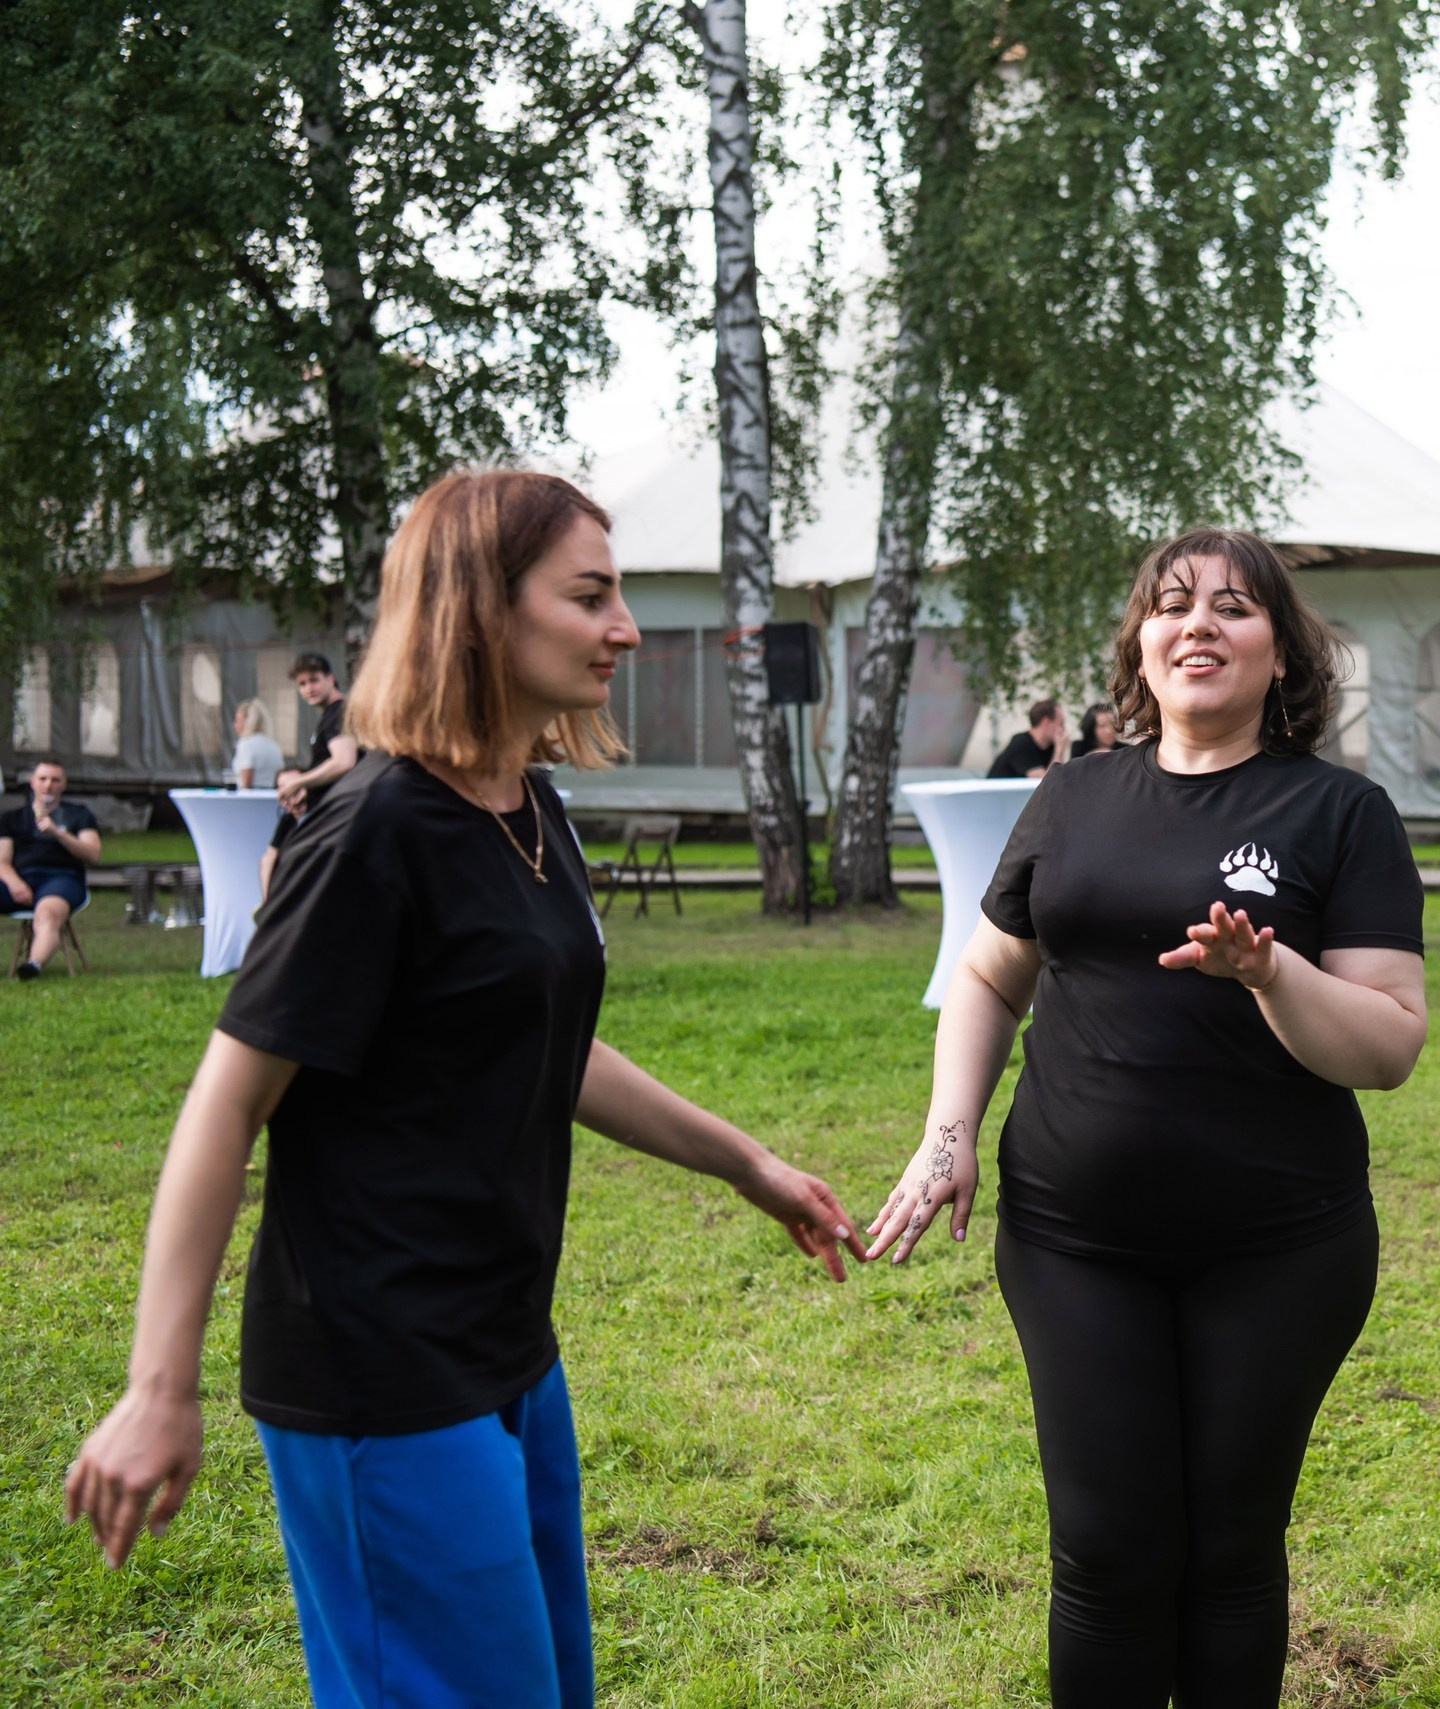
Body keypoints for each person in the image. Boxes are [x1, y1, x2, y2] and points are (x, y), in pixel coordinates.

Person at [62, 469, 860, 1709]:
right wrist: (159, 1385)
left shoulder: (527, 806)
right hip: (377, 1367)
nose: (626, 628)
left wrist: (746, 1164)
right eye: (590, 596)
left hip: (506, 1348)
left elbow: (540, 1041)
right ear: (481, 607)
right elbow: (225, 1102)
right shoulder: (375, 827)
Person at [867, 526, 1426, 1706]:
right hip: (1075, 1239)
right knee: (1107, 1553)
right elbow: (985, 977)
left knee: (1226, 1554)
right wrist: (948, 1130)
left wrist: (1272, 974)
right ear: (1140, 641)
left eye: (1233, 608)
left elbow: (1387, 1045)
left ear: (1282, 654)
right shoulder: (1069, 797)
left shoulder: (1339, 812)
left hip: (1279, 1249)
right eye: (1173, 605)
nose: (1199, 625)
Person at [260, 653, 358, 898]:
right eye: (302, 684)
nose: (308, 689)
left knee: (290, 866)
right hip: (326, 812)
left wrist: (300, 782)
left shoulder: (339, 712)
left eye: (314, 680)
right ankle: (269, 915)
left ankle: (275, 918)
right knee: (273, 856)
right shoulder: (329, 716)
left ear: (330, 679)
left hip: (339, 816)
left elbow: (344, 761)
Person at [2, 757, 103, 979]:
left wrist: (58, 833)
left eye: (55, 780)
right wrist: (15, 883)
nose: (48, 785)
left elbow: (92, 854)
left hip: (62, 879)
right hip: (20, 879)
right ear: (32, 782)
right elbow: (2, 861)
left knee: (48, 914)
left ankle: (32, 967)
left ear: (64, 784)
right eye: (43, 779)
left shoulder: (79, 814)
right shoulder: (12, 818)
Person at [987, 698, 1067, 779]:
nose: (1063, 730)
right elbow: (1047, 782)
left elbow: (1060, 779)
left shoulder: (1050, 746)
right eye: (1061, 724)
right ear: (1046, 722)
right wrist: (1059, 750)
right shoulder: (1021, 743)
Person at [231, 700, 285, 790]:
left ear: (248, 722)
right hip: (271, 798)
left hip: (251, 800)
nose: (235, 725)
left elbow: (246, 784)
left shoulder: (245, 744)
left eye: (238, 721)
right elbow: (279, 775)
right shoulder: (273, 745)